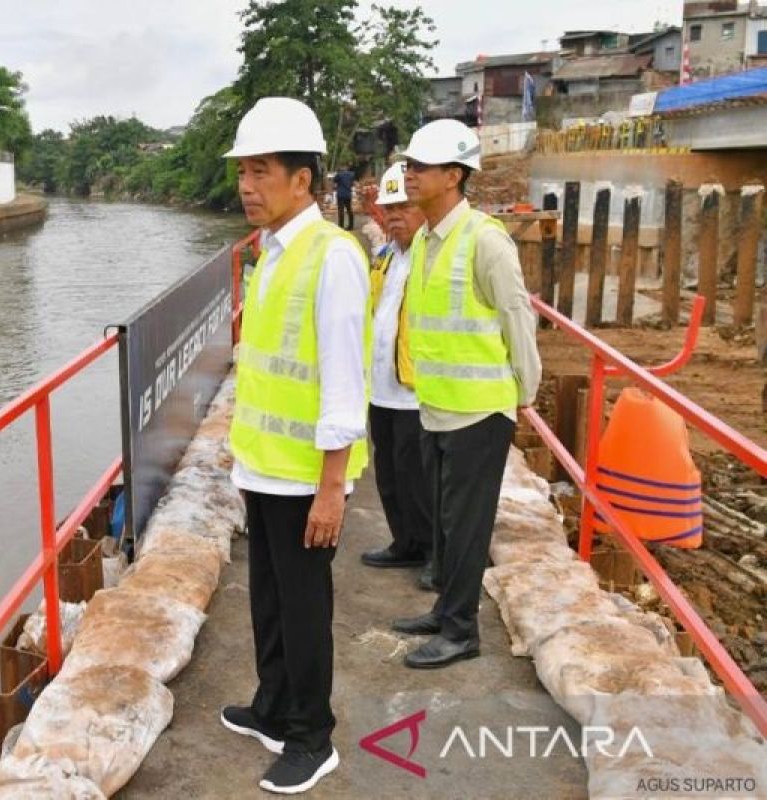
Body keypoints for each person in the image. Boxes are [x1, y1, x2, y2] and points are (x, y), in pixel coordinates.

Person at [219, 96, 371, 794]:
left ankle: (313, 736)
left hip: (307, 477)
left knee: (305, 611)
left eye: (262, 171)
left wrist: (332, 486)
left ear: (303, 180)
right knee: (269, 601)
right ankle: (273, 707)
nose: (247, 185)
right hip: (264, 469)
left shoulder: (332, 256)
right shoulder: (271, 251)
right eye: (242, 171)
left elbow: (343, 379)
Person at [389, 119, 541, 669]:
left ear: (454, 175)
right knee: (442, 519)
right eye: (409, 165)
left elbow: (515, 315)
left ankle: (461, 631)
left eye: (421, 167)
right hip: (436, 407)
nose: (409, 174)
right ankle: (446, 609)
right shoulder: (428, 238)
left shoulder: (484, 239)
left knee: (466, 524)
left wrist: (526, 388)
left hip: (479, 412)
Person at [359, 161, 435, 592]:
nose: (393, 216)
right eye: (388, 208)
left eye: (403, 206)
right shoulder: (387, 256)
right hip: (382, 389)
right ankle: (403, 541)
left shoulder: (430, 256)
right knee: (388, 472)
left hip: (414, 391)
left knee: (418, 478)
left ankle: (430, 552)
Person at [332, 163, 356, 231]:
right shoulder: (351, 174)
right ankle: (351, 226)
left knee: (341, 211)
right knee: (349, 210)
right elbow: (352, 183)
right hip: (348, 194)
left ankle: (341, 226)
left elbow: (334, 181)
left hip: (340, 195)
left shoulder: (339, 174)